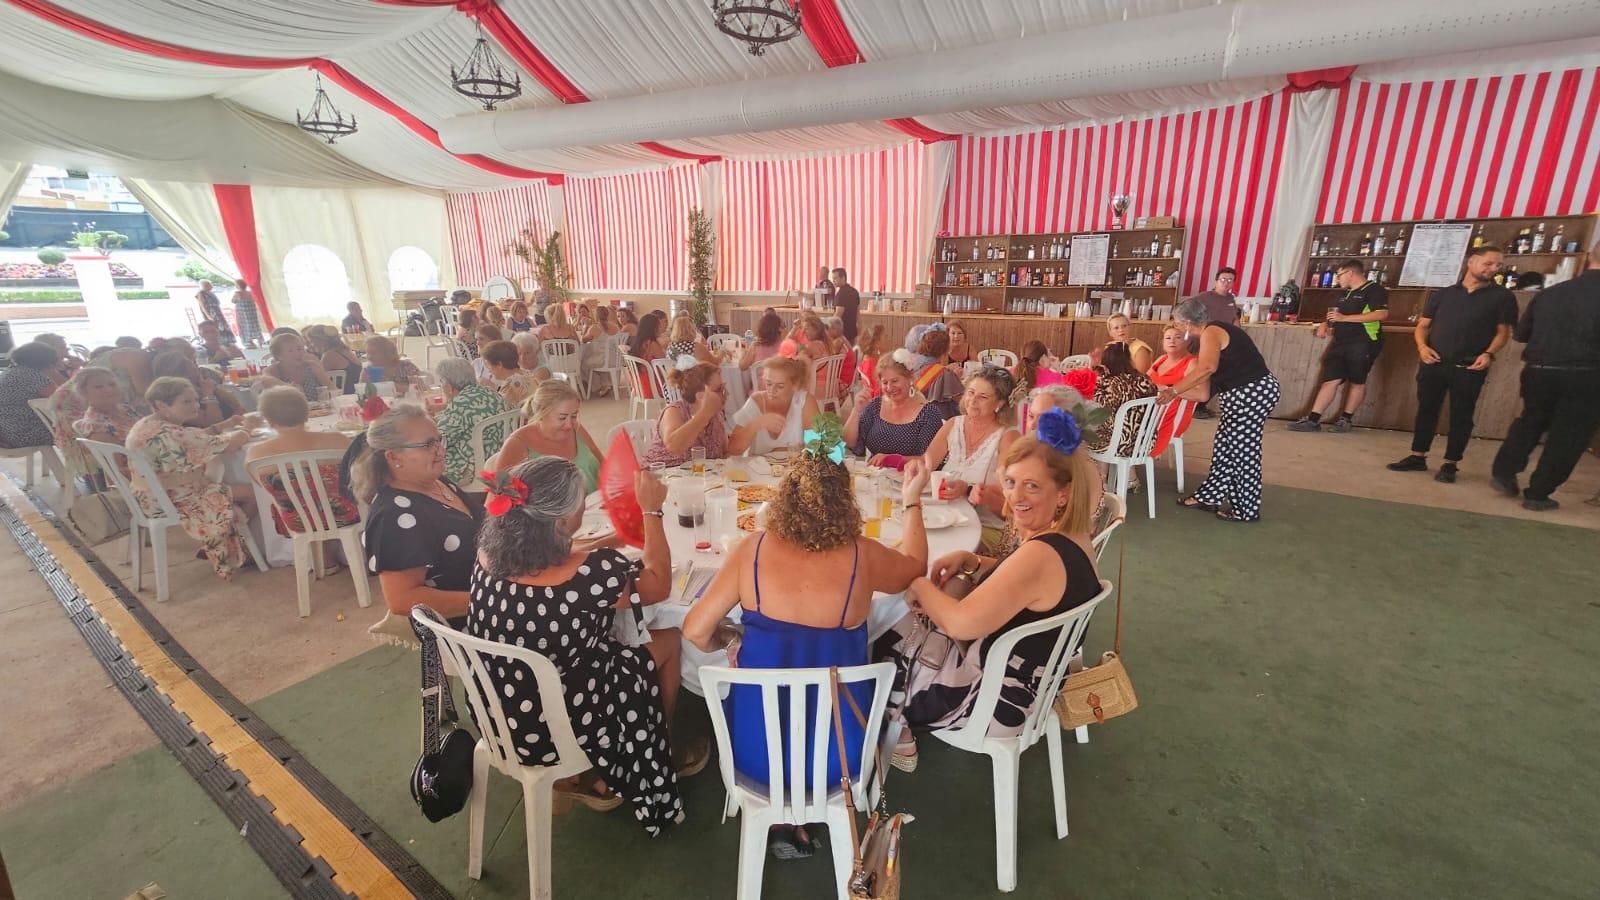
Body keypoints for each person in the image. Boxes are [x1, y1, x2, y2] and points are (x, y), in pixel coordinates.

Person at [685, 448, 929, 858]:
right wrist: (911, 499)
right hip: (840, 756)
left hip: (755, 753)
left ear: (784, 498)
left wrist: (729, 639)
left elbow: (694, 630)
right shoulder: (863, 555)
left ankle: (779, 816)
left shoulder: (752, 550)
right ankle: (803, 812)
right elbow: (915, 566)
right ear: (846, 501)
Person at [469, 457, 691, 828]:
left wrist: (611, 540)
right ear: (559, 522)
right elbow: (658, 584)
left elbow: (557, 564)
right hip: (564, 723)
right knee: (668, 640)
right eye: (581, 504)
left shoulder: (488, 554)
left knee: (608, 645)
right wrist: (652, 510)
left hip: (501, 713)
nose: (585, 508)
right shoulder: (592, 573)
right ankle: (655, 750)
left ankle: (591, 773)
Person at [877, 412, 1102, 770]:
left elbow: (959, 623)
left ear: (1063, 494)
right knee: (912, 615)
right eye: (1011, 482)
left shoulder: (1041, 554)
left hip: (995, 699)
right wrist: (975, 561)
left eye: (1032, 486)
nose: (1015, 497)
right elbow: (1029, 585)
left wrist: (916, 582)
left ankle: (898, 734)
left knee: (877, 638)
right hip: (1034, 682)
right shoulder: (1073, 538)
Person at [1387, 245, 1517, 483]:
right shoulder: (1443, 294)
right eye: (1488, 263)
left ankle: (1451, 463)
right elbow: (1423, 326)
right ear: (1471, 261)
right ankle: (1418, 456)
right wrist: (1422, 347)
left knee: (1462, 415)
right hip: (1434, 362)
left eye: (1498, 265)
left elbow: (1503, 333)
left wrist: (1489, 353)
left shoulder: (1502, 297)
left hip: (1469, 366)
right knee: (1427, 410)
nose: (1493, 269)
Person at [1491, 242, 1600, 510]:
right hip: (1586, 374)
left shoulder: (1550, 293)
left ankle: (1505, 470)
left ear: (1589, 256)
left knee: (1531, 420)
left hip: (1538, 370)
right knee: (1569, 434)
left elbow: (1521, 335)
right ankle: (1538, 493)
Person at [353, 405, 483, 621]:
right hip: (466, 620)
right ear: (394, 457)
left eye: (439, 440)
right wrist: (489, 603)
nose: (441, 451)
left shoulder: (435, 482)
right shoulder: (394, 516)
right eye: (428, 445)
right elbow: (403, 600)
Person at [1162, 297, 1280, 522]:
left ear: (1187, 323)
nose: (1176, 327)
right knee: (1225, 446)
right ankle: (1210, 496)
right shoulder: (1213, 331)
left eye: (1177, 323)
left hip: (1251, 394)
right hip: (1244, 395)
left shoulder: (1212, 332)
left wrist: (1174, 391)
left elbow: (1207, 368)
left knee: (1243, 452)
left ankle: (1246, 510)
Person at [125, 377, 256, 579]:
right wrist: (249, 427)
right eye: (186, 401)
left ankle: (221, 540)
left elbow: (195, 438)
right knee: (252, 492)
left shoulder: (148, 424)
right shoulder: (169, 432)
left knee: (224, 482)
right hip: (174, 499)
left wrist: (226, 424)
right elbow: (230, 445)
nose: (195, 405)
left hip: (149, 496)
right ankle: (229, 544)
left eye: (196, 400)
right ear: (161, 405)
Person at [923, 367, 1020, 551]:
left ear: (999, 403)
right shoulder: (954, 424)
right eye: (970, 392)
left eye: (983, 397)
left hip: (986, 528)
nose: (973, 401)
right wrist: (906, 466)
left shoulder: (1008, 437)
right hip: (946, 518)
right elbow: (925, 466)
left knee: (935, 547)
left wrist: (968, 490)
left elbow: (1009, 504)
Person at [1290, 259, 1390, 433]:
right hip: (1341, 342)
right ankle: (1313, 420)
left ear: (1350, 273)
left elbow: (1381, 314)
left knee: (1357, 381)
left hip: (1364, 341)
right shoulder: (1346, 293)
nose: (1338, 279)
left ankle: (1346, 419)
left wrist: (1344, 318)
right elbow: (1336, 315)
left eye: (1339, 275)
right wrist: (1324, 324)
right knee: (1330, 379)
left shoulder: (1374, 290)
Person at [245, 386, 357, 539]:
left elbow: (263, 487)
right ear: (306, 414)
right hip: (346, 514)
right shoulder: (339, 441)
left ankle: (325, 552)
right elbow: (357, 476)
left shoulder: (256, 453)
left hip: (298, 522)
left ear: (269, 421)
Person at [489, 379, 604, 493]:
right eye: (562, 418)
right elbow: (496, 496)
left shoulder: (576, 428)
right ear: (541, 414)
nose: (569, 425)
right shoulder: (517, 443)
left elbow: (603, 463)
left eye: (574, 416)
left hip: (596, 501)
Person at [640, 361, 764, 466]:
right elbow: (674, 447)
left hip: (698, 480)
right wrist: (704, 413)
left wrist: (745, 437)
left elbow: (724, 454)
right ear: (700, 396)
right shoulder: (674, 411)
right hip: (660, 478)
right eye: (719, 389)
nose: (726, 393)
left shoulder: (716, 416)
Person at [845, 352, 947, 464]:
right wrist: (856, 410)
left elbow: (931, 459)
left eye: (895, 381)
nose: (889, 388)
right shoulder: (875, 406)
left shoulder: (928, 413)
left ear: (910, 378)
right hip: (875, 473)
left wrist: (892, 460)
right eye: (885, 382)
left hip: (910, 474)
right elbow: (850, 443)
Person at [433, 357, 510, 485]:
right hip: (498, 457)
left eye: (441, 383)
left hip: (472, 466)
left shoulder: (460, 404)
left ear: (449, 386)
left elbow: (440, 438)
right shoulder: (491, 393)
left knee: (421, 460)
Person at [730, 356, 820, 456]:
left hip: (793, 465)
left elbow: (817, 447)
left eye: (780, 386)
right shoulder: (757, 401)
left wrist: (782, 450)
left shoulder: (805, 401)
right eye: (768, 384)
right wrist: (758, 423)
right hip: (757, 466)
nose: (772, 391)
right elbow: (733, 450)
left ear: (795, 385)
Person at [1087, 343, 1158, 457]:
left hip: (1116, 444)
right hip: (1144, 443)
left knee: (1076, 433)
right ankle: (1108, 468)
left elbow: (1099, 410)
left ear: (1106, 363)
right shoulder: (1146, 381)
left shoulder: (1110, 383)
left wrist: (1094, 370)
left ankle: (1098, 468)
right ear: (1129, 360)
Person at [1188, 267, 1239, 419]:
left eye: (1230, 280)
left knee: (1219, 374)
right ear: (1216, 281)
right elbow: (1188, 312)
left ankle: (1201, 405)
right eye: (1223, 279)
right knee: (1204, 372)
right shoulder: (1204, 298)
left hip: (1224, 342)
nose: (1226, 282)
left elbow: (1234, 319)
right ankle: (1195, 406)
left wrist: (1238, 333)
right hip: (1205, 341)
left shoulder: (1230, 299)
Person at [150, 351, 245, 429]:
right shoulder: (179, 399)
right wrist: (208, 393)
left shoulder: (204, 384)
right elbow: (214, 422)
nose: (197, 369)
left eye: (194, 364)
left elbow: (239, 409)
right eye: (191, 367)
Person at [0, 342, 61, 449]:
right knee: (82, 429)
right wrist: (55, 373)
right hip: (28, 434)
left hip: (7, 433)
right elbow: (63, 398)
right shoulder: (32, 376)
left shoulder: (9, 372)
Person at [1146, 325, 1198, 451]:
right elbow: (1145, 381)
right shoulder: (1161, 359)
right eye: (1168, 338)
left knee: (1133, 426)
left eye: (1178, 337)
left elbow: (1199, 393)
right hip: (1152, 410)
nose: (1172, 341)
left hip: (1174, 414)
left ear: (1188, 341)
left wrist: (1168, 389)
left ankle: (1136, 457)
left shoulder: (1192, 363)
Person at [71, 366, 140, 448]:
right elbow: (120, 456)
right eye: (98, 387)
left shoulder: (125, 408)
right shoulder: (96, 426)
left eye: (112, 384)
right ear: (83, 392)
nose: (108, 390)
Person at [261, 332, 338, 401]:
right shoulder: (274, 369)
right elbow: (265, 380)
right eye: (291, 351)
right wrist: (289, 387)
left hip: (319, 410)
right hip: (289, 411)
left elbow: (333, 388)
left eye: (299, 348)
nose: (298, 353)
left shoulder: (311, 365)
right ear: (279, 356)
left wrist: (327, 394)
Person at [909, 327, 964, 418]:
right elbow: (964, 402)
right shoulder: (945, 374)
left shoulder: (916, 367)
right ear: (945, 351)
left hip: (915, 418)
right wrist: (955, 379)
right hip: (940, 422)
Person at [478, 340, 537, 408]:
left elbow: (501, 410)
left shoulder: (509, 386)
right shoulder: (529, 375)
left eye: (488, 364)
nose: (488, 369)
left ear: (499, 364)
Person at [305, 325, 363, 394]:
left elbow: (319, 377)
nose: (312, 344)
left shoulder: (329, 355)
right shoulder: (344, 350)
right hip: (357, 391)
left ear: (321, 340)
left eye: (312, 341)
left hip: (346, 395)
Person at [739, 309, 785, 374]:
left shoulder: (755, 346)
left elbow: (742, 367)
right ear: (778, 329)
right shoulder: (784, 345)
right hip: (778, 380)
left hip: (760, 380)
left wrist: (743, 353)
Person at [854, 324, 889, 399]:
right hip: (877, 402)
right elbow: (877, 391)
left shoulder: (871, 359)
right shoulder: (871, 364)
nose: (888, 340)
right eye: (885, 337)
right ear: (876, 343)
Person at [831, 266, 861, 344]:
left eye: (835, 278)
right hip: (853, 331)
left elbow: (838, 315)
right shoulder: (854, 292)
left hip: (842, 332)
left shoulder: (841, 293)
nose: (833, 281)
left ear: (843, 278)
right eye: (833, 278)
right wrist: (859, 331)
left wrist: (829, 328)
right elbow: (858, 313)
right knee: (851, 351)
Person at [231, 279, 264, 348]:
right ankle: (259, 340)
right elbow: (253, 300)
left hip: (243, 313)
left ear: (238, 285)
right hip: (251, 312)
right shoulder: (249, 292)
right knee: (254, 325)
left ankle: (250, 342)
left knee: (245, 326)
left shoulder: (238, 293)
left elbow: (233, 301)